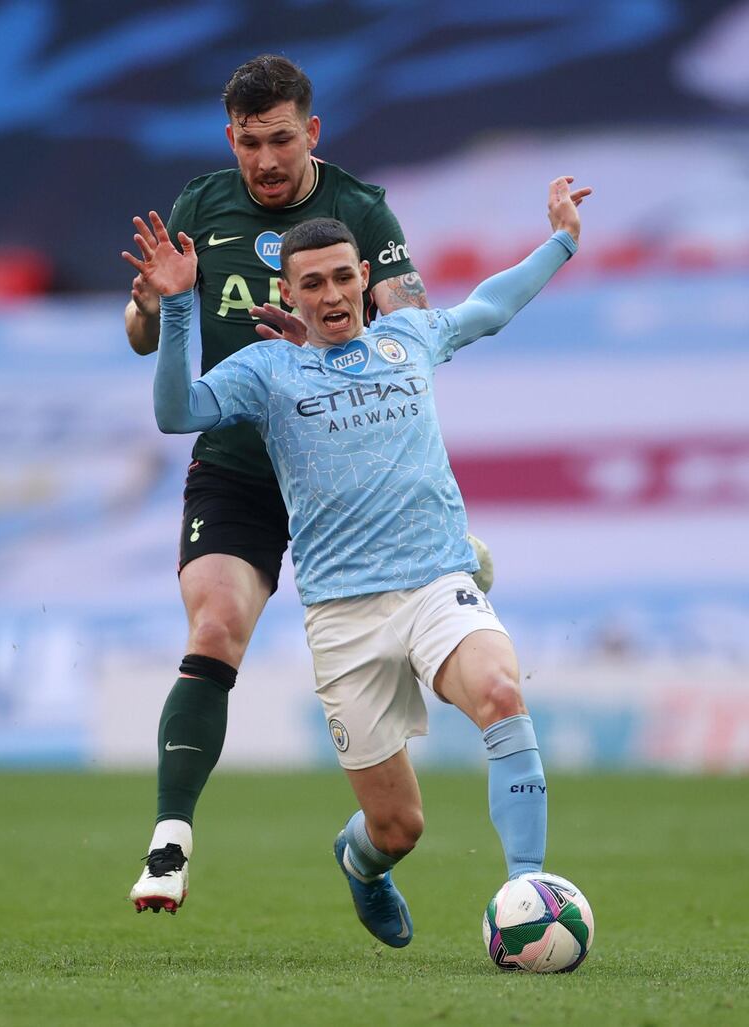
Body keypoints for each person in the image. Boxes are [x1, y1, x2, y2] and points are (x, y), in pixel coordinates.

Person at [122, 173, 591, 944]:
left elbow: (491, 307)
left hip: (437, 582)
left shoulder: (409, 337)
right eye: (314, 282)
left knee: (503, 691)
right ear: (290, 292)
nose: (333, 293)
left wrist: (562, 240)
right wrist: (177, 307)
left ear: (366, 278)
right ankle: (361, 862)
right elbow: (176, 412)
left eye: (345, 276)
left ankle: (525, 890)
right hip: (344, 617)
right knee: (398, 825)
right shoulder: (267, 373)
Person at [124, 54, 492, 912]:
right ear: (231, 139)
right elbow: (145, 335)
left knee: (401, 821)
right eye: (249, 143)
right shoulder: (198, 206)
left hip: (347, 472)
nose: (265, 160)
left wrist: (332, 345)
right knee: (214, 625)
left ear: (311, 132)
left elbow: (410, 329)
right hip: (240, 470)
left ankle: (370, 853)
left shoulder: (360, 209)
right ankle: (170, 842)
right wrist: (151, 303)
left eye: (281, 139)